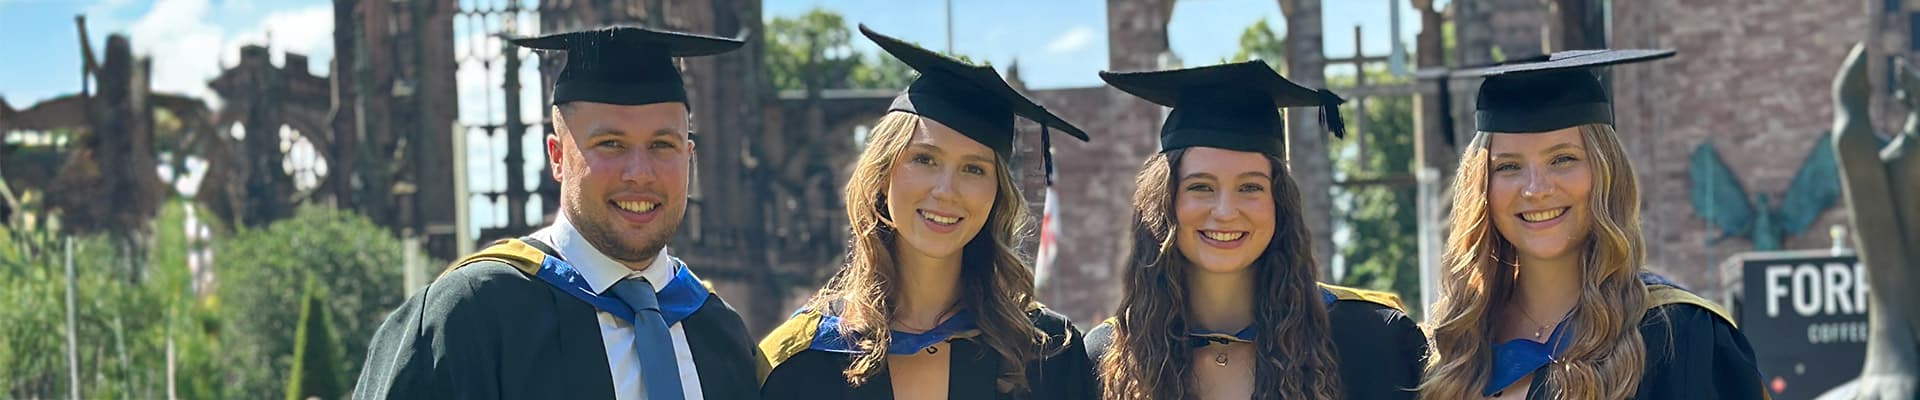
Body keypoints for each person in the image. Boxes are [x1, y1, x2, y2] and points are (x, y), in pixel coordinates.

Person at [353, 26, 763, 400]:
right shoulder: (469, 317)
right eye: (611, 144)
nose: (639, 173)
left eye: (662, 145)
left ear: (689, 157)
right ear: (557, 156)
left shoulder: (720, 335)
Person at [756, 25, 1096, 400]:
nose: (946, 190)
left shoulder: (1048, 355)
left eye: (974, 169)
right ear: (882, 174)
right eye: (924, 159)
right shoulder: (799, 362)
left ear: (997, 193)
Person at [1418, 49, 1766, 399]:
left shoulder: (1679, 336)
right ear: (1481, 186)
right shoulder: (1452, 349)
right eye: (1508, 166)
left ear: (1606, 172)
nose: (1536, 189)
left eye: (1562, 159)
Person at [1083, 60, 1428, 400]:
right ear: (1165, 202)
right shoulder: (1107, 359)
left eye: (1250, 187)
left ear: (1279, 202)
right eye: (1200, 187)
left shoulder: (1372, 341)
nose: (1225, 211)